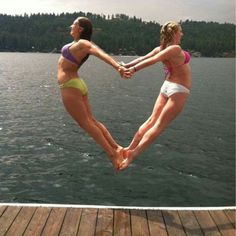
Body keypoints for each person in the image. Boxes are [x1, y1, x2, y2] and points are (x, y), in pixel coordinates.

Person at [118, 21, 191, 170]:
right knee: (158, 125)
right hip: (178, 89)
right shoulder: (175, 49)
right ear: (175, 33)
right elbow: (152, 60)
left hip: (167, 86)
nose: (182, 34)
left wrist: (127, 65)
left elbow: (143, 58)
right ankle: (133, 154)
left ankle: (128, 148)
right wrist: (133, 70)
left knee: (151, 120)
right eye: (180, 31)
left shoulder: (161, 48)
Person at [57, 16, 128, 169]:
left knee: (86, 123)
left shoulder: (83, 43)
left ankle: (113, 154)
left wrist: (117, 67)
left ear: (80, 29)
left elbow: (99, 53)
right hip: (76, 84)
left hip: (70, 85)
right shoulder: (78, 44)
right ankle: (117, 148)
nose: (71, 26)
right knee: (91, 120)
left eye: (74, 24)